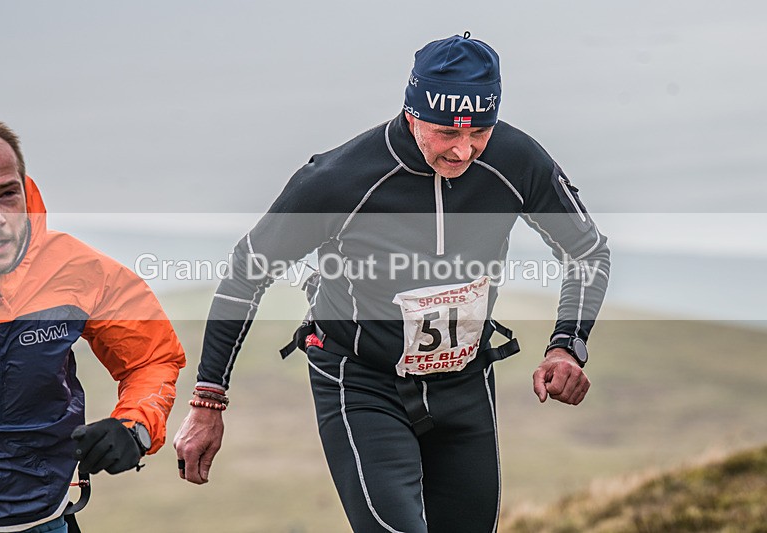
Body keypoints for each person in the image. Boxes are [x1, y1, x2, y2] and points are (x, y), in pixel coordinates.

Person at [174, 33, 610, 532]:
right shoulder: (339, 179)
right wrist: (208, 401)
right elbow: (246, 272)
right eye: (446, 132)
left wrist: (567, 346)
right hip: (362, 381)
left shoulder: (517, 160)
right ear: (412, 111)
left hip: (464, 379)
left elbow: (586, 250)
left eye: (479, 132)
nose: (463, 151)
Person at [0, 117, 186, 533]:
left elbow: (152, 358)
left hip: (48, 520)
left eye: (7, 194)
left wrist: (134, 428)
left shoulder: (76, 269)